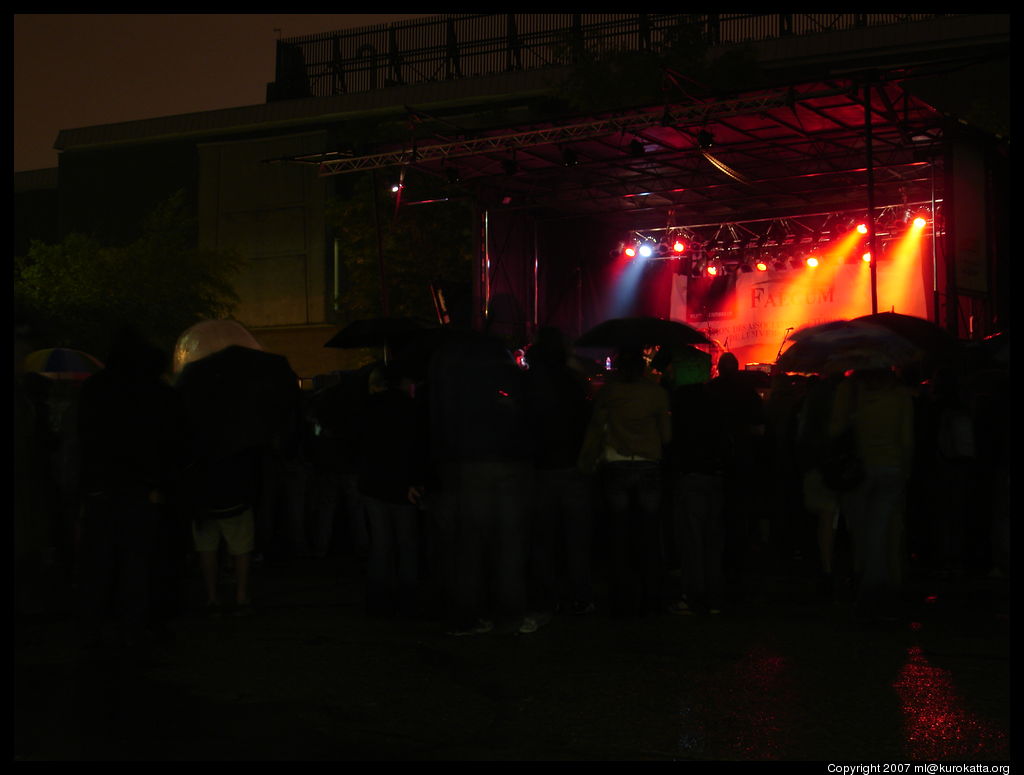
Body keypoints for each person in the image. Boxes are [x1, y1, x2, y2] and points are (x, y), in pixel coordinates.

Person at [75, 327, 189, 646]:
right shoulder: (158, 393)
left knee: (100, 562)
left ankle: (94, 625)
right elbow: (174, 444)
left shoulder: (96, 389)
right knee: (139, 562)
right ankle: (134, 624)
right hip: (143, 490)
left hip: (102, 489)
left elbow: (84, 440)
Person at [428, 329, 536, 635]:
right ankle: (511, 615)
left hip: (469, 465)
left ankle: (468, 616)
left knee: (470, 545)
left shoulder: (454, 379)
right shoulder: (512, 378)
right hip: (511, 463)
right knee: (511, 544)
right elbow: (528, 417)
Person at [584, 346, 671, 616]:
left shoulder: (610, 392)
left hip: (616, 464)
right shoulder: (656, 393)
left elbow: (597, 427)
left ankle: (620, 599)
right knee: (648, 533)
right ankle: (652, 598)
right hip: (648, 465)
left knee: (618, 534)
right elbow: (666, 437)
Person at [828, 367, 914, 622]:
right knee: (884, 530)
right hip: (892, 468)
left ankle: (867, 590)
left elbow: (834, 430)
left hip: (859, 469)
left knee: (861, 531)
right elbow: (907, 439)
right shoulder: (900, 395)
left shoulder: (851, 391)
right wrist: (906, 470)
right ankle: (882, 590)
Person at [524, 327, 595, 618]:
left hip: (540, 468)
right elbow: (586, 421)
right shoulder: (573, 383)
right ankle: (578, 596)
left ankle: (546, 596)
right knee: (576, 538)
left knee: (543, 537)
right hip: (572, 466)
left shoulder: (528, 382)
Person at [353, 364, 427, 617]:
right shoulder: (410, 409)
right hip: (402, 486)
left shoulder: (367, 407)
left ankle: (378, 598)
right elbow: (416, 448)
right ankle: (408, 598)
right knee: (406, 543)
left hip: (372, 484)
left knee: (380, 542)